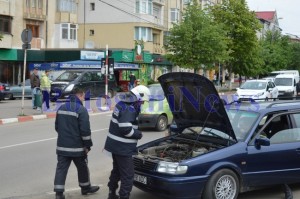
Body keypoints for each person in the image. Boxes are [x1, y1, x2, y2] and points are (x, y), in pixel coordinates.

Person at [104, 85, 151, 199]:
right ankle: (123, 196)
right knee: (128, 175)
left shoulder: (122, 103)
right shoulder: (129, 108)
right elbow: (125, 128)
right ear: (138, 97)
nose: (143, 104)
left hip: (114, 145)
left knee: (117, 170)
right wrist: (138, 134)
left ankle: (111, 194)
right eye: (142, 101)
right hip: (123, 148)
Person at [53, 88, 99, 199]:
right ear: (80, 95)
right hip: (77, 148)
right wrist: (87, 145)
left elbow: (57, 127)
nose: (84, 98)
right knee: (82, 167)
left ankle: (59, 194)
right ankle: (86, 188)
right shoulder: (81, 110)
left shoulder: (61, 108)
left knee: (61, 169)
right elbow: (85, 131)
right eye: (83, 96)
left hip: (62, 147)